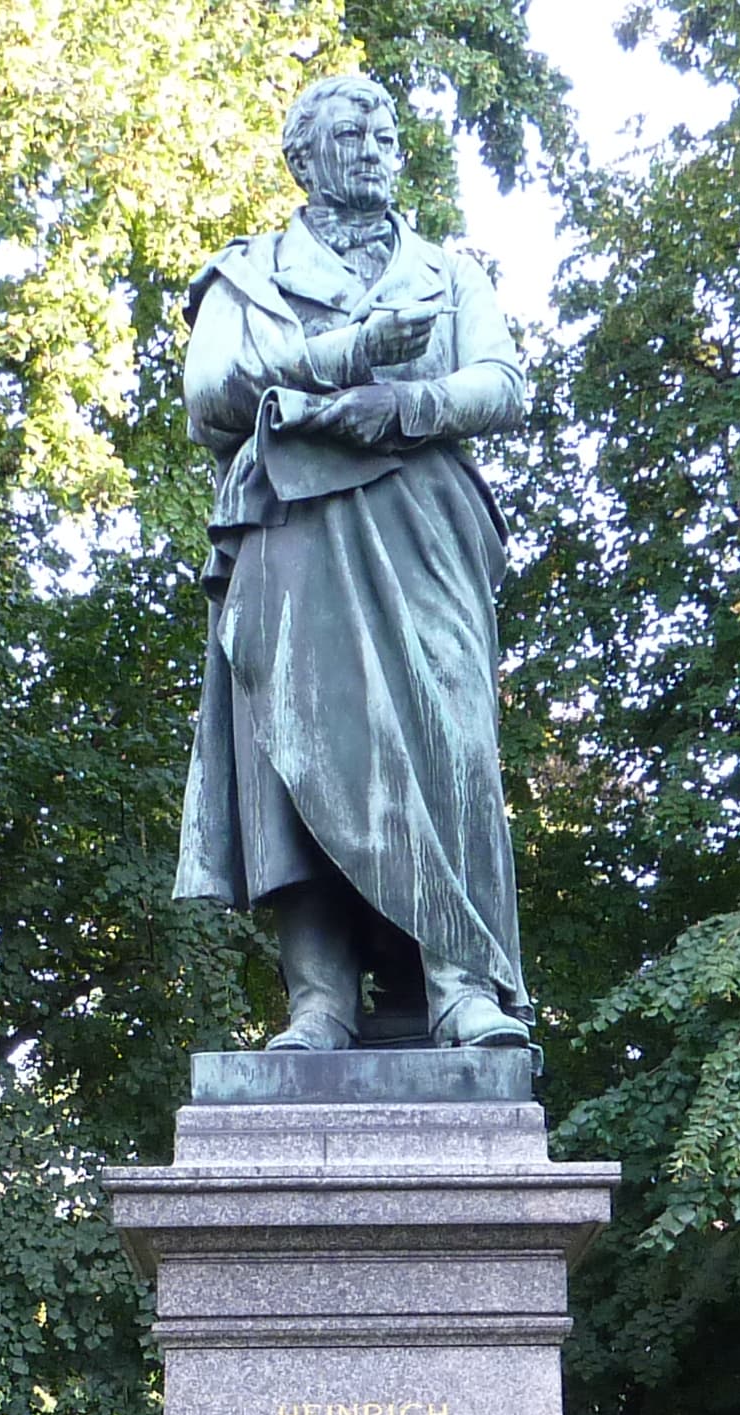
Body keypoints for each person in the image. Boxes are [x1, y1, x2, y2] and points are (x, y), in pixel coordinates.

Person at [174, 73, 532, 1050]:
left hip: (424, 529)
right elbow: (211, 394)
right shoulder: (247, 274)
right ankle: (320, 1003)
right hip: (292, 529)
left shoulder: (446, 270)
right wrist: (350, 355)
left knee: (447, 742)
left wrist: (408, 406)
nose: (375, 147)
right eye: (350, 133)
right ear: (303, 157)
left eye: (385, 131)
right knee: (301, 750)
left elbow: (503, 382)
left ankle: (464, 988)